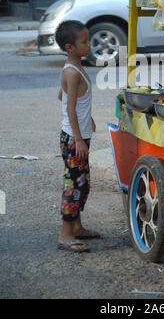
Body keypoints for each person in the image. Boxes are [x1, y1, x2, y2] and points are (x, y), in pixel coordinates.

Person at [55, 20, 100, 252]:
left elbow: (61, 97)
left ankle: (78, 227)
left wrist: (87, 117)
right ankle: (65, 234)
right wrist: (79, 138)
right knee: (74, 185)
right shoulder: (73, 73)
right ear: (69, 47)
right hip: (74, 140)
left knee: (83, 183)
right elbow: (70, 108)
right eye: (84, 42)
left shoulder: (73, 68)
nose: (89, 45)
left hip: (76, 134)